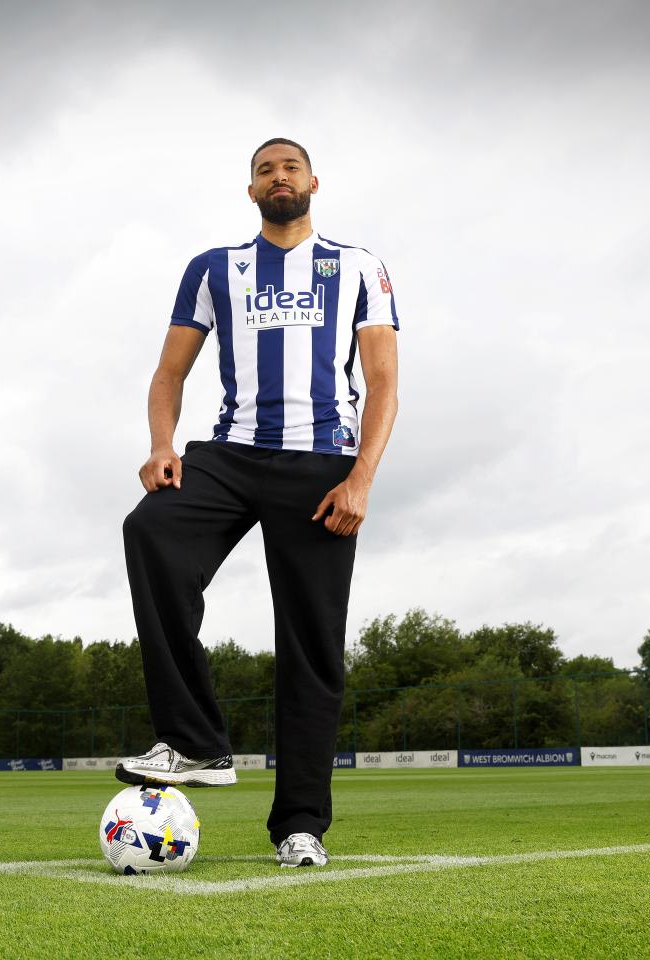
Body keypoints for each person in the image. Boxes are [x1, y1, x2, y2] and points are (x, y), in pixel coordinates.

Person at [117, 137, 399, 868]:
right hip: (231, 454)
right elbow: (168, 373)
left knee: (311, 646)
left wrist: (361, 479)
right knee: (151, 529)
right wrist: (161, 444)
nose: (279, 177)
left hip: (322, 462)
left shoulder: (359, 267)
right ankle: (194, 741)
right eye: (265, 170)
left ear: (313, 183)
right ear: (251, 191)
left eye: (290, 167)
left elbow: (383, 383)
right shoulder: (214, 268)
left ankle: (300, 825)